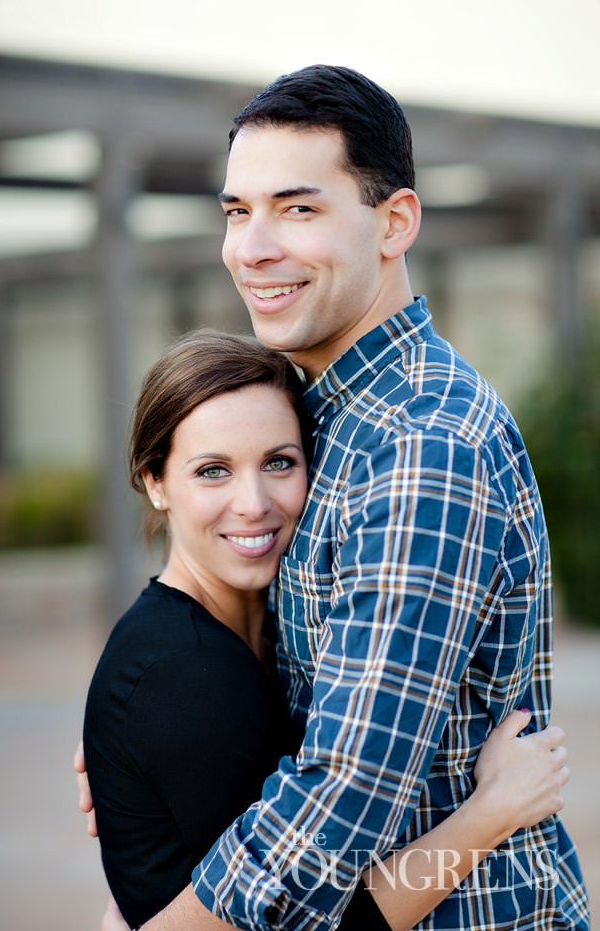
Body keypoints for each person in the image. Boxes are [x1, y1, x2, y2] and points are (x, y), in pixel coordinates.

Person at [79, 65, 590, 930]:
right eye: (238, 212)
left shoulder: (419, 445)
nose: (253, 247)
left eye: (299, 208)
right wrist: (151, 760)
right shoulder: (324, 416)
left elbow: (339, 800)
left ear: (395, 223)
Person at [82, 331, 570, 931]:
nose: (253, 502)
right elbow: (329, 924)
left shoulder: (243, 640)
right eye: (213, 471)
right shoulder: (188, 675)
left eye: (279, 462)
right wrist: (493, 812)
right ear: (155, 482)